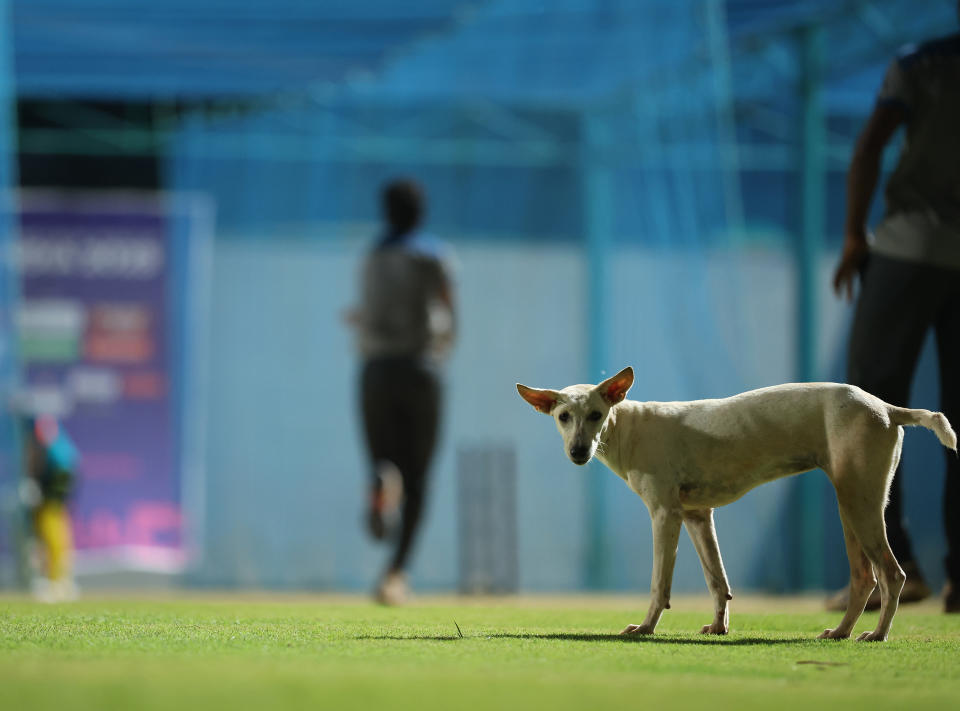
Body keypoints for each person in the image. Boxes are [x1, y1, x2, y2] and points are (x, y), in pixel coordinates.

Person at [830, 8, 960, 613]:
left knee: (869, 407)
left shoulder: (919, 62)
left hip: (908, 247)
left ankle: (893, 567)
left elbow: (871, 146)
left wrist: (856, 237)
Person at [346, 178, 456, 605]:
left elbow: (372, 310)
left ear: (385, 212)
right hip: (421, 370)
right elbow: (449, 309)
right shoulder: (433, 255)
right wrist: (444, 348)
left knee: (382, 457)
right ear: (420, 213)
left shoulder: (371, 256)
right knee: (420, 479)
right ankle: (395, 574)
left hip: (374, 371)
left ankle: (379, 479)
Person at [23, 414, 79, 602]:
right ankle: (53, 581)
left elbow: (64, 478)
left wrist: (46, 494)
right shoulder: (56, 448)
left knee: (55, 542)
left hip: (52, 505)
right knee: (47, 542)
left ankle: (57, 582)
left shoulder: (59, 451)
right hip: (50, 504)